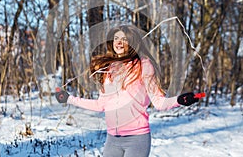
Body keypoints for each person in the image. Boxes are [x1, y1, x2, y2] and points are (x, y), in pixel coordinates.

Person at [55, 25, 200, 157]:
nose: (118, 42)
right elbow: (101, 105)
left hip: (137, 139)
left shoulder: (144, 65)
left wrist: (179, 100)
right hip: (112, 139)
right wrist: (69, 99)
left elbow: (159, 102)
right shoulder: (109, 69)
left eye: (123, 39)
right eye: (116, 38)